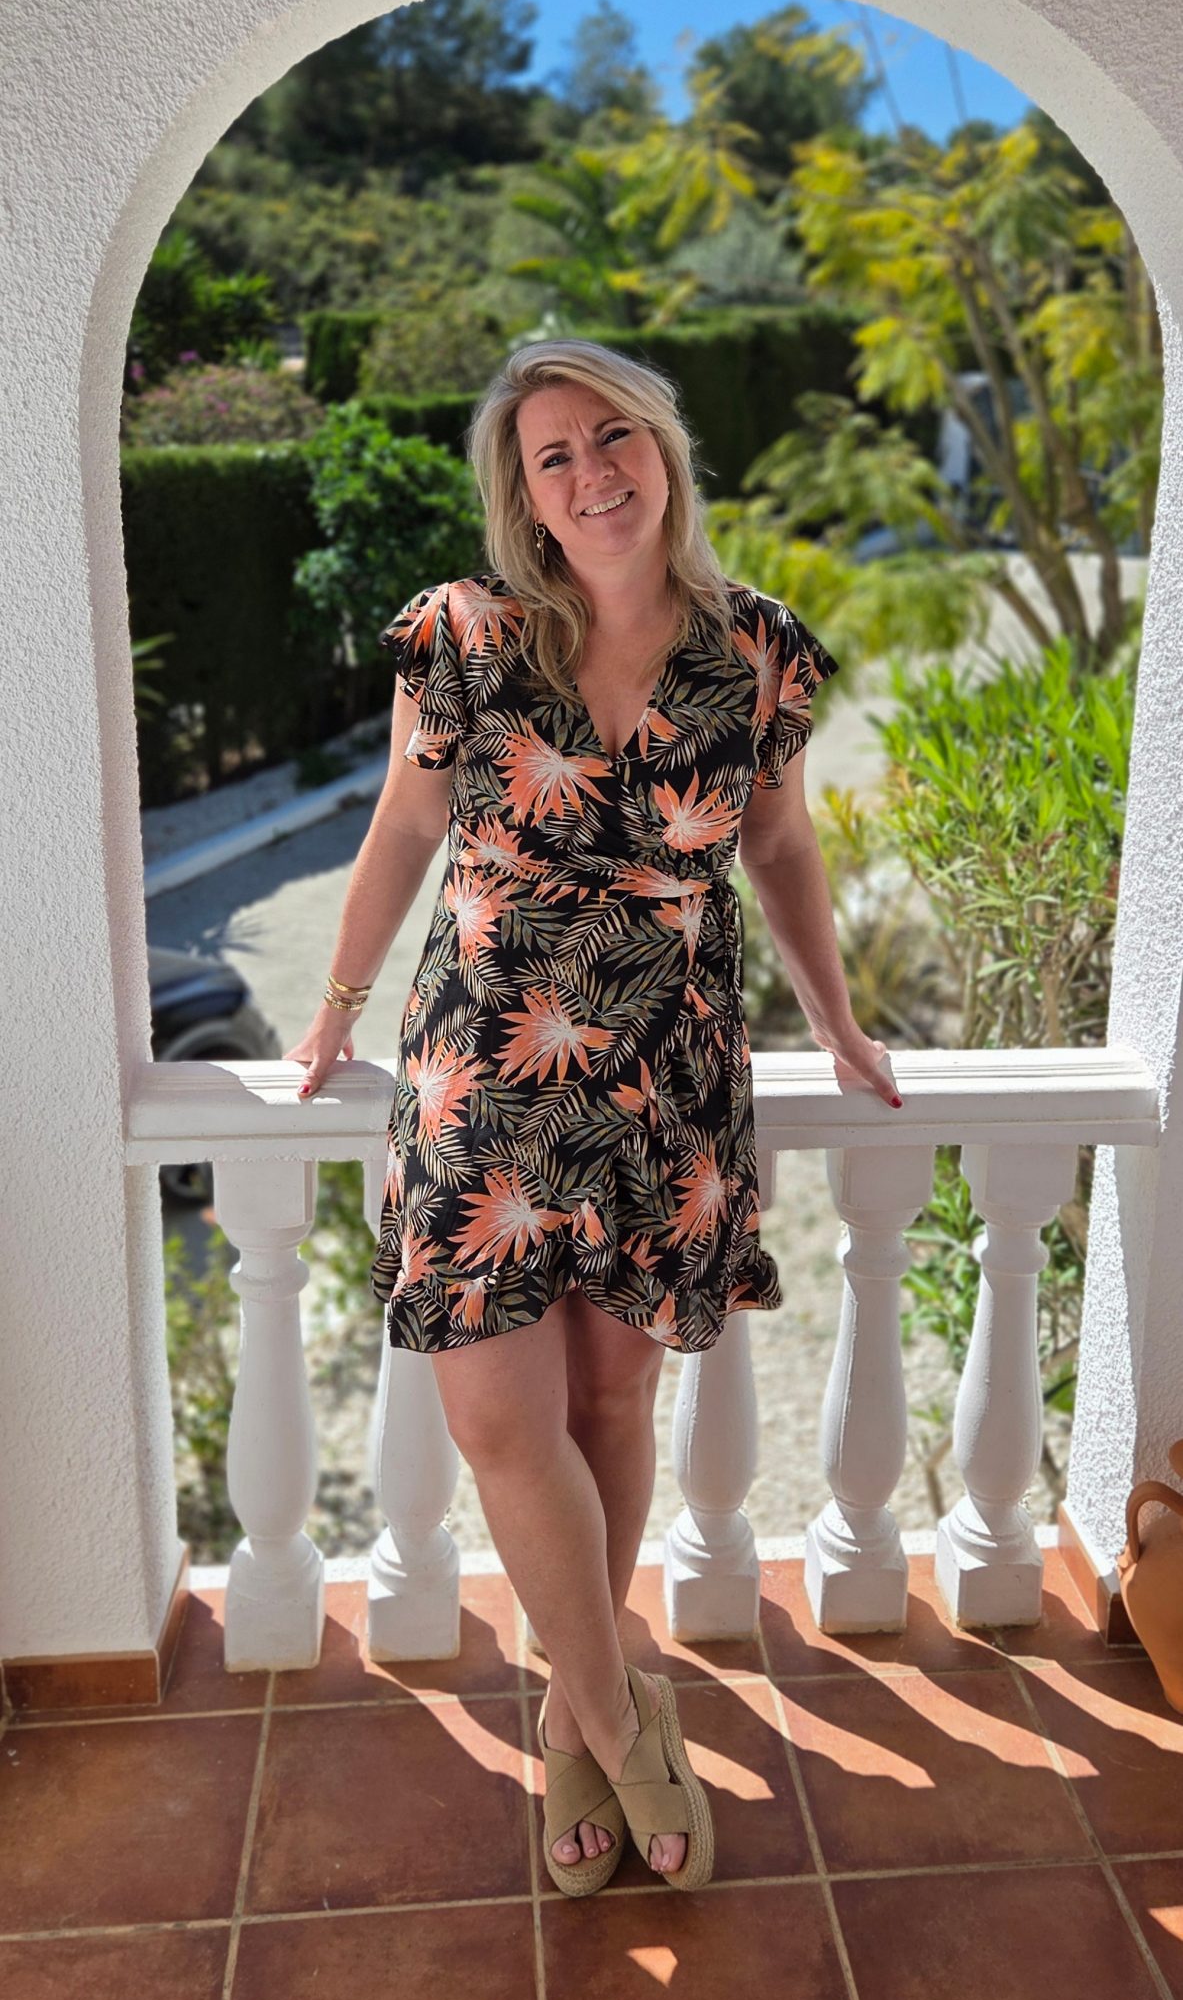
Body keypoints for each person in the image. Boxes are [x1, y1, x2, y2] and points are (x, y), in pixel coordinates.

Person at [287, 339, 901, 1896]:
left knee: (615, 1407)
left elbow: (781, 848)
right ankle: (629, 1719)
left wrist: (836, 1020)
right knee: (500, 1421)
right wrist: (339, 1003)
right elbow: (403, 828)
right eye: (553, 456)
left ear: (663, 448)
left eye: (612, 436)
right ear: (525, 492)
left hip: (666, 1070)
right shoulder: (467, 636)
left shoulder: (757, 650)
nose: (591, 475)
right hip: (485, 1067)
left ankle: (570, 1722)